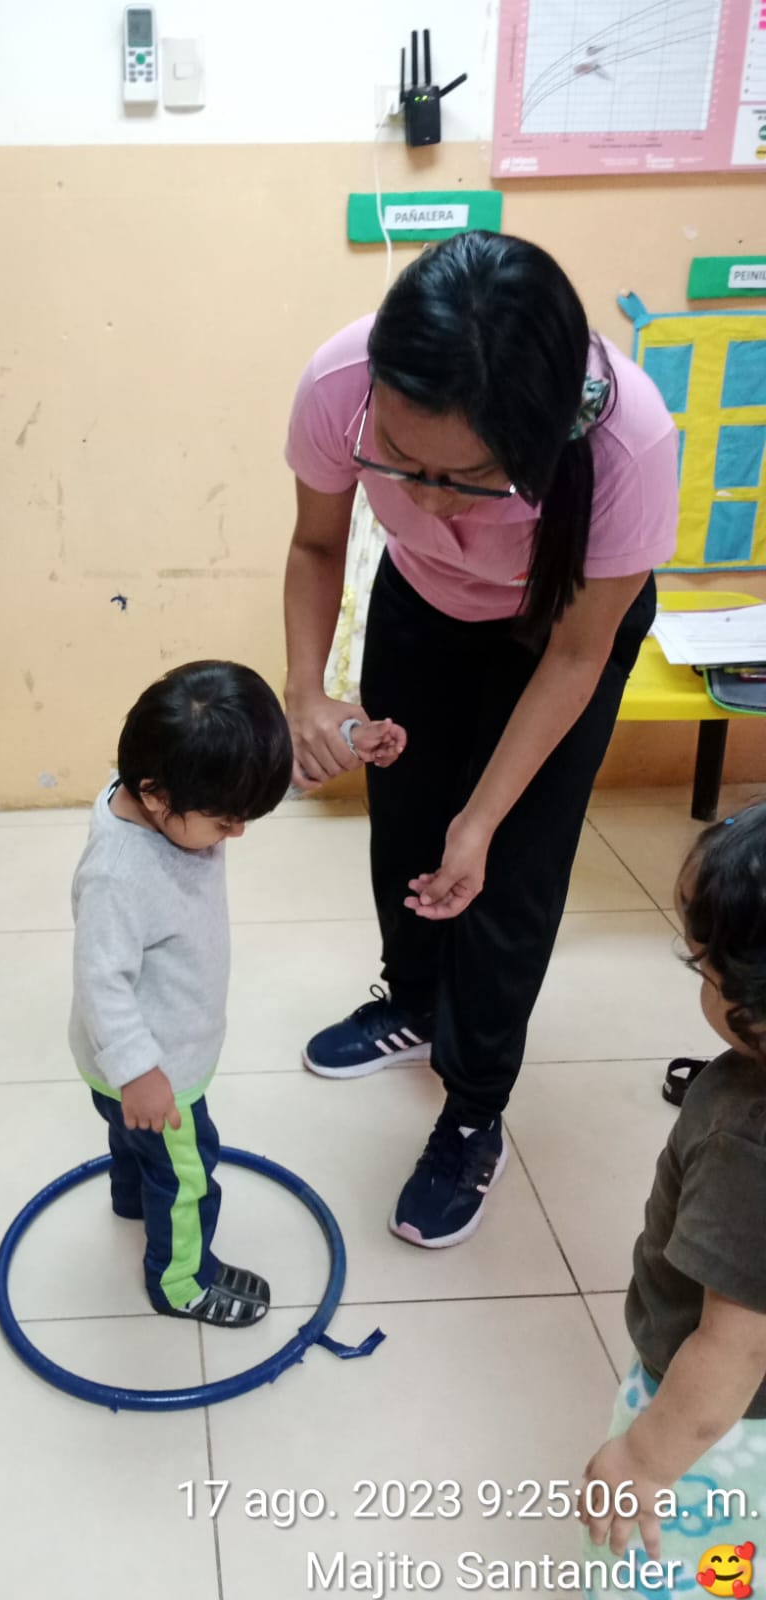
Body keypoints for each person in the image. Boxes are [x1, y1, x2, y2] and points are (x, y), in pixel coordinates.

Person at [283, 231, 678, 1247]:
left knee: (502, 875)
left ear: (540, 435)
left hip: (559, 635)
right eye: (401, 461)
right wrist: (305, 689)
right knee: (408, 821)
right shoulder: (339, 383)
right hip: (422, 609)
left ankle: (473, 1109)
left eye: (466, 477)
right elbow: (318, 541)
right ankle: (414, 1000)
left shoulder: (628, 444)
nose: (424, 499)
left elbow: (579, 656)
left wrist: (487, 816)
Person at [69, 660, 293, 1325]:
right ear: (155, 794)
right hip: (154, 1069)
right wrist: (140, 1073)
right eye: (225, 821)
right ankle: (182, 1282)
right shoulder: (119, 875)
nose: (237, 833)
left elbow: (235, 783)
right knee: (186, 1175)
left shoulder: (163, 791)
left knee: (134, 1144)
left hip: (140, 1062)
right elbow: (101, 980)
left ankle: (130, 1200)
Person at [581, 805, 766, 1595]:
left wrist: (645, 1458)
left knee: (691, 1572)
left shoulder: (747, 1146)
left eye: (704, 966)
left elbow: (735, 1347)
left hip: (716, 1421)